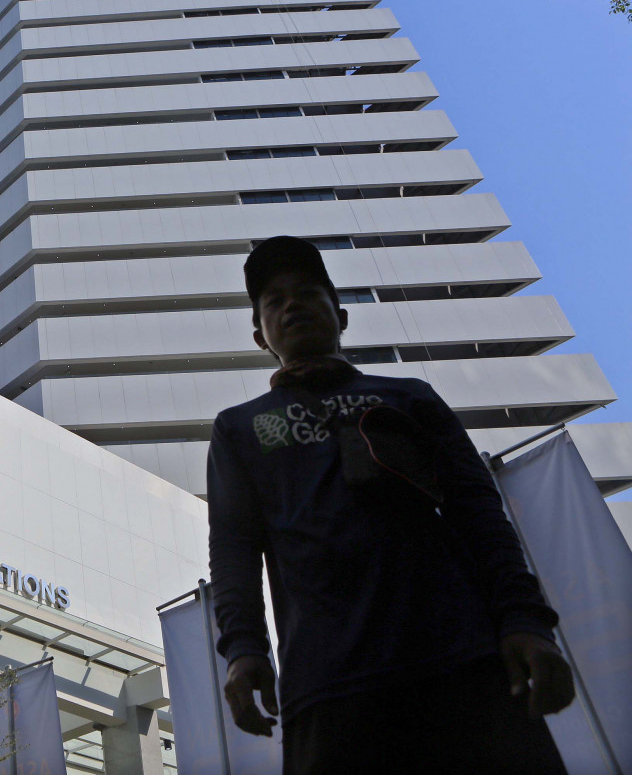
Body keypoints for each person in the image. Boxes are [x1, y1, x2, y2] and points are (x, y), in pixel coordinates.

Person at [206, 235, 575, 775]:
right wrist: (243, 649)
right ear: (261, 334)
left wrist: (525, 620)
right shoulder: (237, 427)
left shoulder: (410, 396)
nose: (293, 304)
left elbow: (479, 512)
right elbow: (233, 548)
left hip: (464, 662)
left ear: (342, 315)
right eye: (274, 299)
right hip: (327, 685)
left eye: (309, 292)